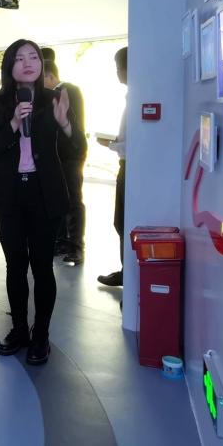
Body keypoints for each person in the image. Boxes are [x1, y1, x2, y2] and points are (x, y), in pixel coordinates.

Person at [0, 39, 86, 365]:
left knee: (42, 268)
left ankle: (41, 334)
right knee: (15, 266)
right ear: (9, 65)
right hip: (9, 193)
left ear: (41, 64)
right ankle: (19, 329)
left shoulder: (55, 98)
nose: (28, 63)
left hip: (44, 194)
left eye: (34, 57)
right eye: (20, 58)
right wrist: (14, 122)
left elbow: (77, 149)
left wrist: (65, 123)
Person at [42, 55, 87, 265]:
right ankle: (60, 242)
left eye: (41, 78)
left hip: (71, 155)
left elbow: (72, 125)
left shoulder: (69, 91)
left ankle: (76, 247)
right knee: (57, 199)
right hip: (56, 156)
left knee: (73, 200)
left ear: (50, 76)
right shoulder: (50, 94)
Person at [97, 46, 128, 287]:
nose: (117, 73)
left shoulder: (139, 98)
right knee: (120, 222)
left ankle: (128, 274)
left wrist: (112, 144)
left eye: (119, 68)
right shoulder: (132, 97)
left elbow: (136, 143)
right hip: (125, 166)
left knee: (123, 222)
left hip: (130, 167)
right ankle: (126, 271)